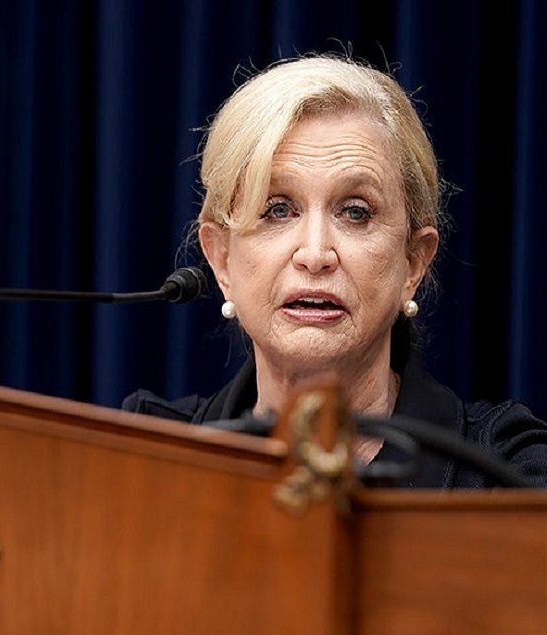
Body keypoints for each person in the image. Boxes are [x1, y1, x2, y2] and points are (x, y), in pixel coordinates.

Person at [123, 55, 547, 489]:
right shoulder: (141, 460)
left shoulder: (510, 476)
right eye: (278, 209)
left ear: (413, 262)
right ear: (221, 260)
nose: (315, 254)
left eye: (355, 212)